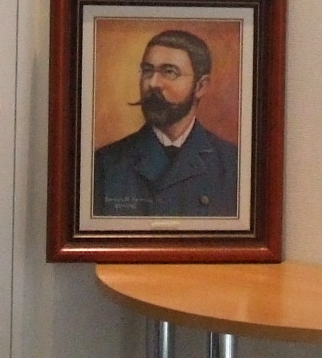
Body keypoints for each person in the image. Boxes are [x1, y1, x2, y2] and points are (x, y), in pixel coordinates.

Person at [91, 29, 242, 218]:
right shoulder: (105, 164)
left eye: (169, 72)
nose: (153, 83)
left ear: (200, 86)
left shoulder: (233, 165)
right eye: (147, 71)